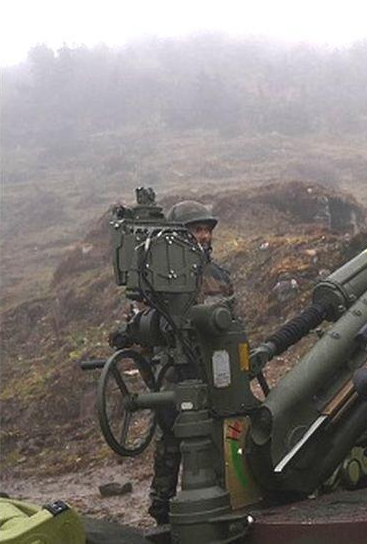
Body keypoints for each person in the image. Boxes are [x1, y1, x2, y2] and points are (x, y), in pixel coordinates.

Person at [147, 199, 234, 525]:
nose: (204, 236)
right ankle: (162, 509)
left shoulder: (219, 276)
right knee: (171, 440)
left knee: (217, 438)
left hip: (212, 367)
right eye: (197, 229)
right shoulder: (159, 279)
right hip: (174, 374)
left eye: (206, 230)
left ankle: (222, 499)